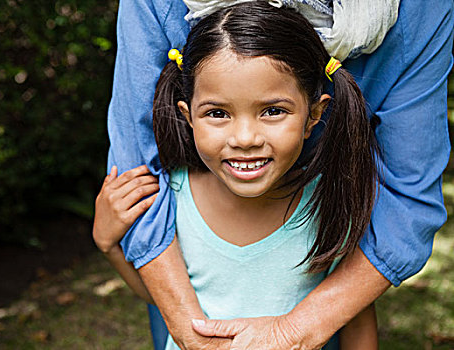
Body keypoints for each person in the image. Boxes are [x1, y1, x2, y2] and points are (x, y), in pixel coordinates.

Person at [94, 0, 454, 348]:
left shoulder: (329, 207)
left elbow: (357, 315)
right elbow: (158, 296)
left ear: (315, 115)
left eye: (272, 111)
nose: (246, 139)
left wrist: (292, 334)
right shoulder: (175, 200)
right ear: (187, 116)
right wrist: (111, 246)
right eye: (218, 113)